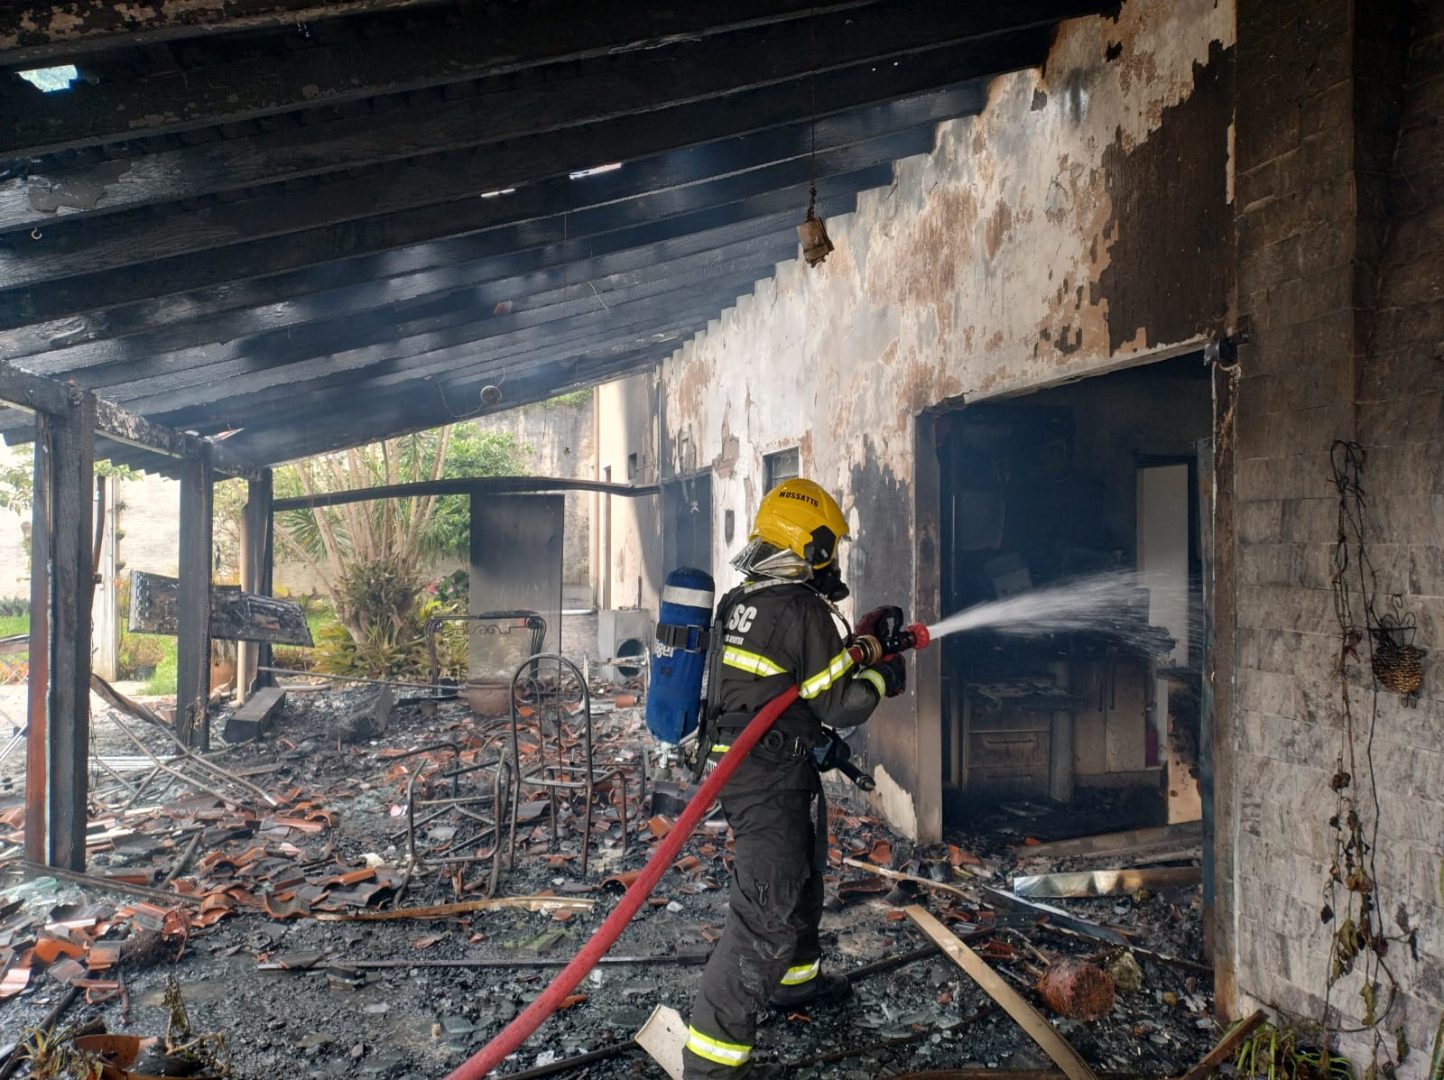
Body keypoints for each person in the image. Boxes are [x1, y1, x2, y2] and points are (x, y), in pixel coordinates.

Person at [683, 478, 908, 1078]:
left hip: (763, 769)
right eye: (829, 545)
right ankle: (710, 1061)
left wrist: (860, 646)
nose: (833, 559)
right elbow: (840, 701)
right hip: (768, 778)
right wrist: (886, 675)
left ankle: (794, 984)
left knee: (804, 872)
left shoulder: (744, 599)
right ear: (810, 545)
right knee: (767, 908)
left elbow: (795, 681)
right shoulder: (802, 608)